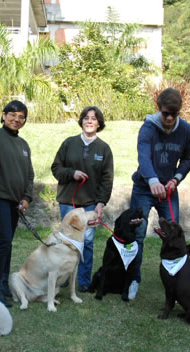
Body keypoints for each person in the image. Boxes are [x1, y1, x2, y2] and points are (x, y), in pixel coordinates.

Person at [129, 87, 190, 299]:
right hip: (144, 187)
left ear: (179, 112)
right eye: (165, 113)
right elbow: (144, 157)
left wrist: (176, 178)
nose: (168, 118)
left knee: (175, 234)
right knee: (137, 233)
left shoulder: (186, 130)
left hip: (169, 189)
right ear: (159, 109)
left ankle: (179, 278)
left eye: (173, 114)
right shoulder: (148, 128)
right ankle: (133, 279)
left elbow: (187, 160)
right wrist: (152, 180)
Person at [51, 106, 114, 292]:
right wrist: (72, 173)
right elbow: (56, 168)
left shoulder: (104, 148)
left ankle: (84, 280)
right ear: (81, 121)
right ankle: (63, 278)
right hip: (67, 202)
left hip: (90, 205)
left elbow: (107, 179)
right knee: (66, 242)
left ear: (99, 123)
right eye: (86, 118)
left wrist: (101, 203)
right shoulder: (69, 143)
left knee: (86, 243)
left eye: (94, 118)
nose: (89, 121)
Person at [0, 100, 35, 306]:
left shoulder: (23, 145)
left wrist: (26, 197)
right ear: (4, 115)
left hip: (16, 202)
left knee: (7, 243)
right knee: (3, 241)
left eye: (21, 116)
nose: (17, 119)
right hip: (0, 200)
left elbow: (29, 175)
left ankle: (4, 283)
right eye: (12, 114)